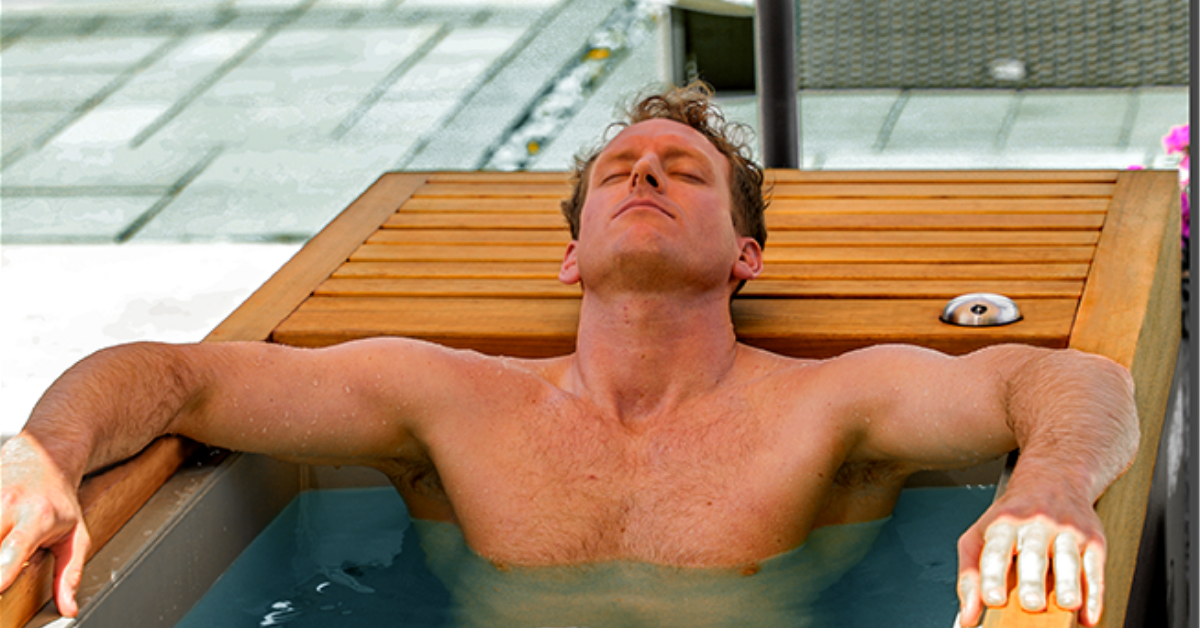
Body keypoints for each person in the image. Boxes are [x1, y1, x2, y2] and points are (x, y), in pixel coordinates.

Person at [0, 83, 1137, 627]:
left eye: (681, 170)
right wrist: (47, 450)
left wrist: (1046, 485)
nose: (644, 173)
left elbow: (1076, 378)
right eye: (616, 169)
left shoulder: (828, 408)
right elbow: (179, 373)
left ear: (743, 254)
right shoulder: (447, 400)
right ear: (570, 259)